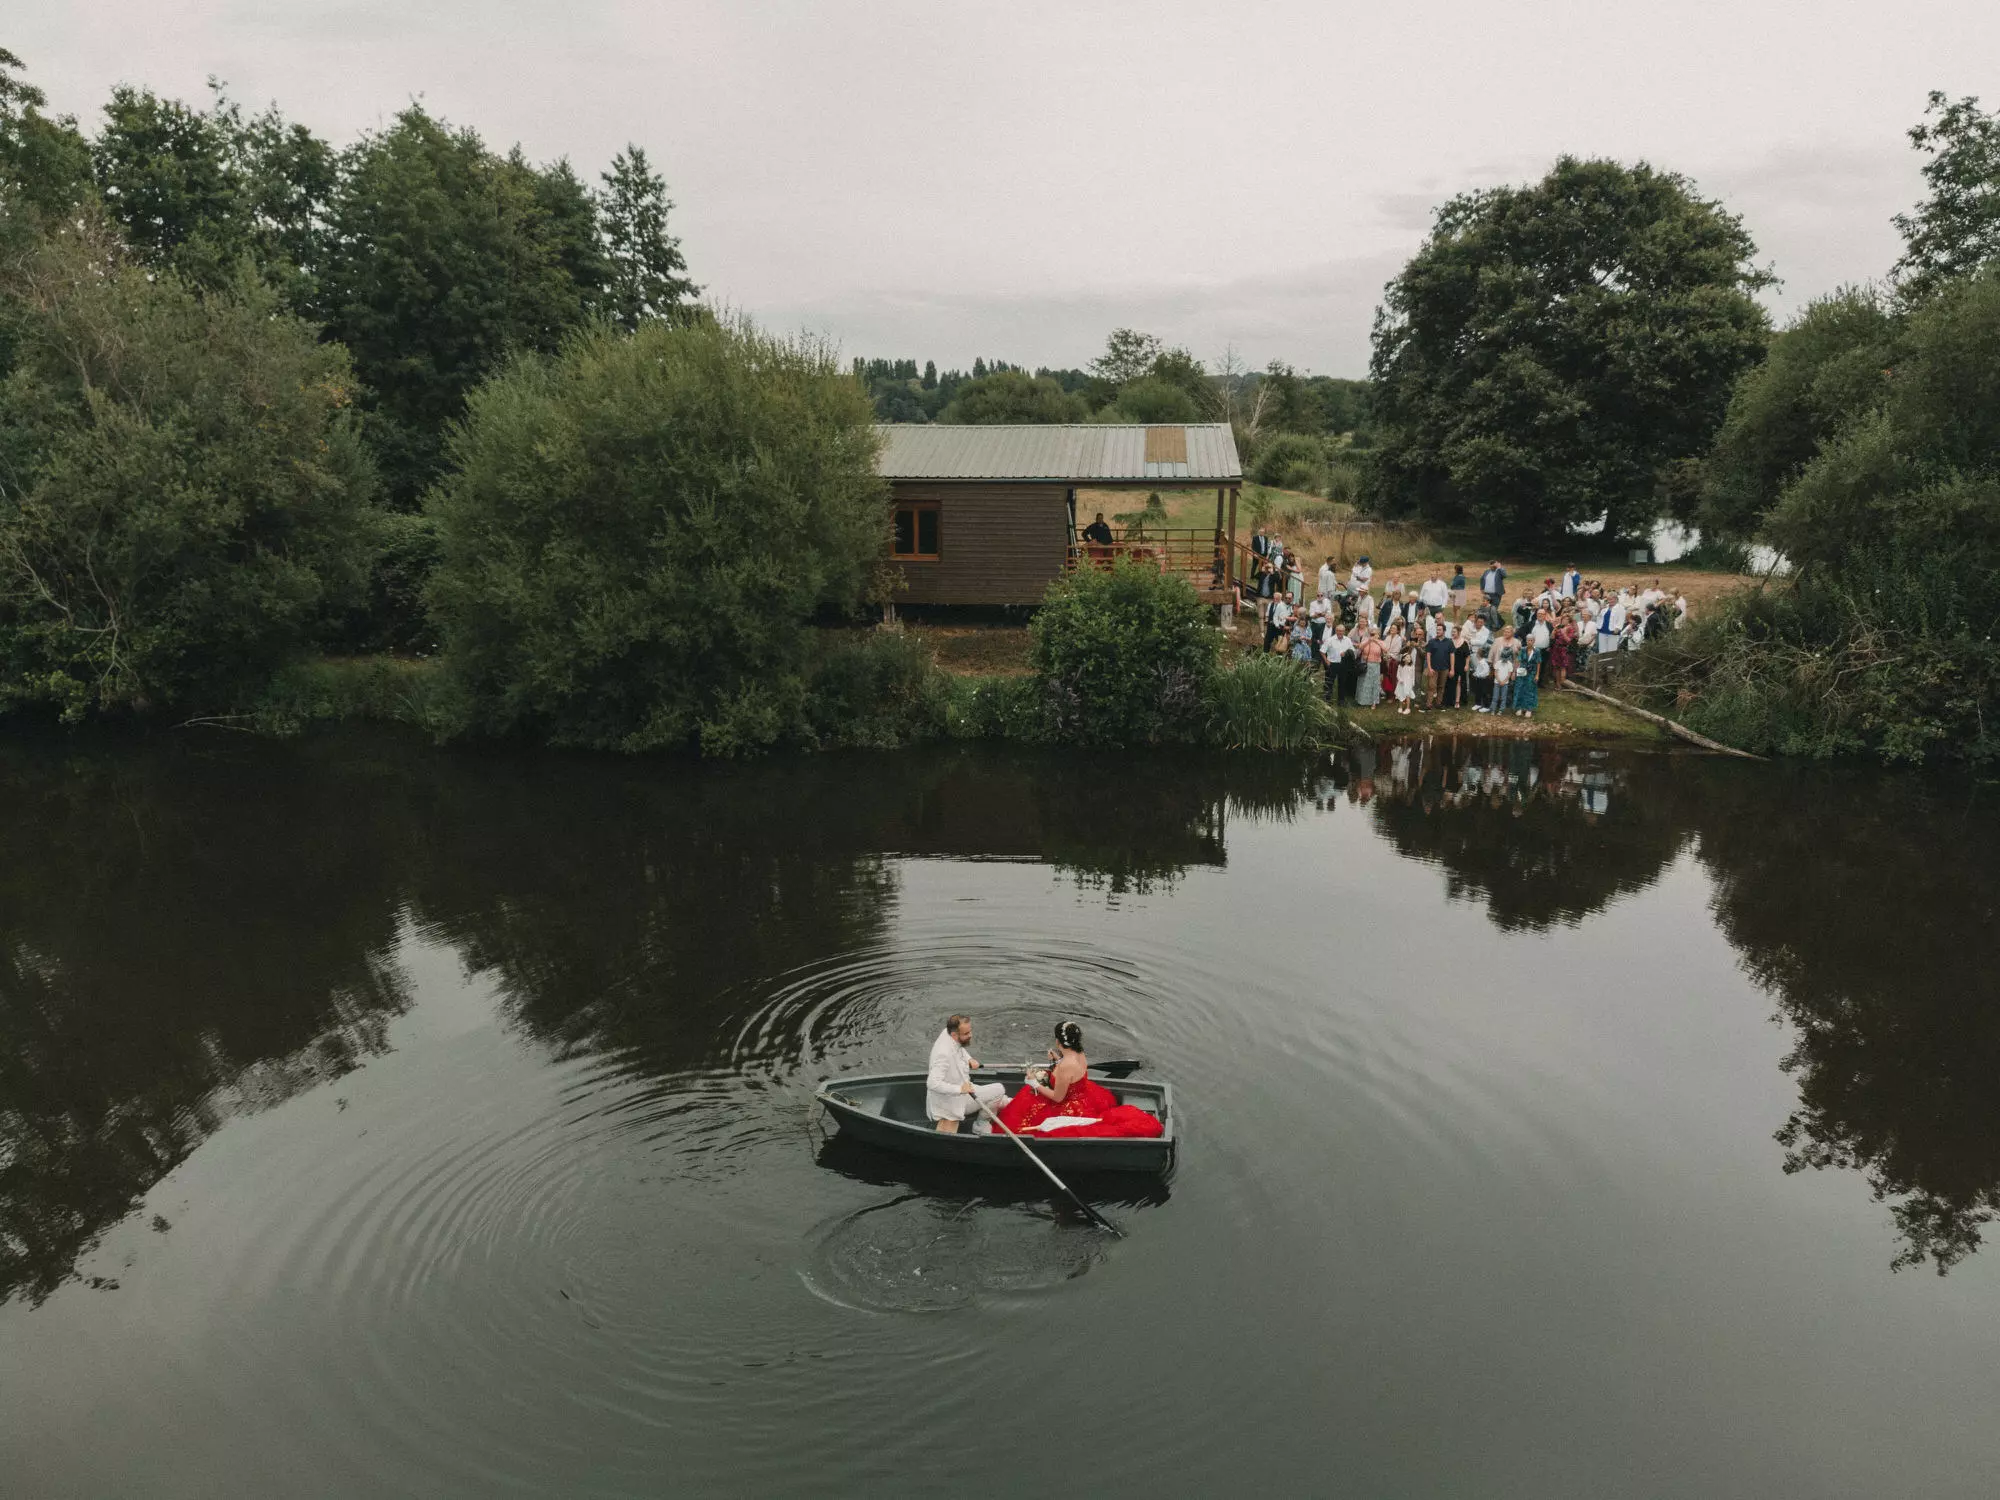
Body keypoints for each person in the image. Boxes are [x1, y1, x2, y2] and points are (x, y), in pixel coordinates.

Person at [926, 1013, 1008, 1134]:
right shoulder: (943, 1055)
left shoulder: (947, 1033)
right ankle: (981, 1125)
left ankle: (1000, 1102)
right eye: (966, 1034)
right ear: (954, 1034)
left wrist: (968, 1058)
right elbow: (932, 1083)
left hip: (963, 1088)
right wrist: (960, 1089)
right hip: (954, 1101)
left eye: (970, 1031)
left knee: (994, 1095)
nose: (971, 1035)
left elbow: (958, 1048)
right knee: (999, 1089)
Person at [1321, 620, 1354, 701]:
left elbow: (1352, 650)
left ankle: (1341, 701)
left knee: (1342, 683)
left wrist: (1346, 653)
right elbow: (1322, 651)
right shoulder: (1330, 640)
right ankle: (1327, 699)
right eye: (1338, 630)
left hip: (1343, 664)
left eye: (1342, 631)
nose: (1340, 632)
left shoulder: (1348, 640)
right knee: (1329, 683)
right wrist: (1326, 661)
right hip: (1332, 664)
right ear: (1335, 631)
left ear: (1344, 631)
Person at [1425, 620, 1454, 708]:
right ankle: (1428, 704)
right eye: (1437, 630)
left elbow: (1452, 656)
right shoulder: (1432, 642)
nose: (1437, 631)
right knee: (1431, 686)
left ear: (1444, 631)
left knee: (1441, 687)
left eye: (1439, 630)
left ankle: (1438, 703)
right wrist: (1429, 668)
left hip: (1445, 668)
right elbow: (1428, 655)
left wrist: (1452, 669)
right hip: (1433, 668)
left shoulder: (1449, 642)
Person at [1356, 630, 1384, 706]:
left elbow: (1385, 649)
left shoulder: (1381, 642)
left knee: (1374, 683)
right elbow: (1360, 647)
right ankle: (1362, 701)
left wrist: (1377, 641)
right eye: (1372, 634)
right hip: (1366, 664)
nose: (1373, 635)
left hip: (1376, 665)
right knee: (1364, 682)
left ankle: (1373, 702)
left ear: (1378, 635)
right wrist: (1369, 641)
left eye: (1375, 634)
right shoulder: (1366, 641)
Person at [1514, 640, 1541, 718]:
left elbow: (1538, 663)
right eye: (1528, 640)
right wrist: (1515, 672)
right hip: (1522, 671)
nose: (1529, 642)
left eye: (1531, 640)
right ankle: (1519, 707)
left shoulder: (1537, 651)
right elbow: (1518, 660)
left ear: (1534, 641)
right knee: (1520, 689)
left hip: (1532, 673)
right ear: (1526, 641)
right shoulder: (1523, 649)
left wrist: (1537, 675)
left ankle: (1529, 709)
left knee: (1530, 690)